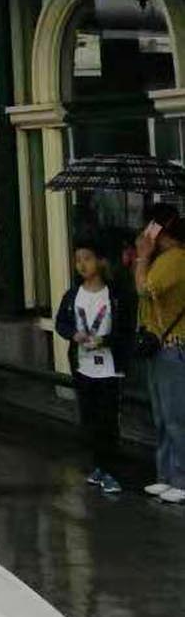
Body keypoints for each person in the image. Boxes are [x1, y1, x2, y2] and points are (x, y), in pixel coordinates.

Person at [55, 232, 136, 495]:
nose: (82, 265)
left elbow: (126, 330)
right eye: (78, 259)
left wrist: (105, 340)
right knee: (89, 418)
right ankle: (99, 466)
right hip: (83, 365)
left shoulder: (114, 295)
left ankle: (111, 470)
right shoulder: (73, 295)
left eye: (87, 259)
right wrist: (73, 334)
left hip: (109, 368)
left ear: (100, 261)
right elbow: (61, 323)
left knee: (107, 420)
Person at [133, 204, 185, 504]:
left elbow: (146, 289)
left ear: (158, 229)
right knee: (162, 415)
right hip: (159, 345)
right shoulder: (161, 259)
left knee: (176, 415)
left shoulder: (175, 258)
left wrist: (142, 257)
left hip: (172, 346)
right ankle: (165, 474)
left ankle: (180, 477)